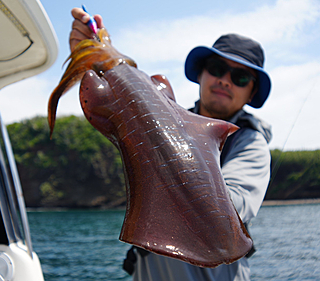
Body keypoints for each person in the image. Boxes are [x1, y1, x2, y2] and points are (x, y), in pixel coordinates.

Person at [68, 8, 272, 281]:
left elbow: (230, 209)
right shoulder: (170, 122)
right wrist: (93, 54)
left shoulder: (250, 143)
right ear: (201, 73)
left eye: (241, 78)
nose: (225, 80)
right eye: (217, 69)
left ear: (252, 92)